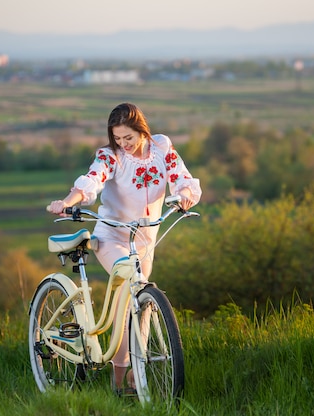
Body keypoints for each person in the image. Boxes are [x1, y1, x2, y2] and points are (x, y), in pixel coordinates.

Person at [48, 102, 202, 393]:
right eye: (117, 138)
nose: (123, 144)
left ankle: (135, 373)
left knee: (139, 307)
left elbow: (180, 176)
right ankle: (120, 378)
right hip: (112, 238)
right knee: (132, 288)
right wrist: (67, 201)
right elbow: (93, 179)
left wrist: (184, 194)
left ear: (141, 130)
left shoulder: (161, 147)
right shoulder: (111, 157)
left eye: (128, 138)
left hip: (144, 240)